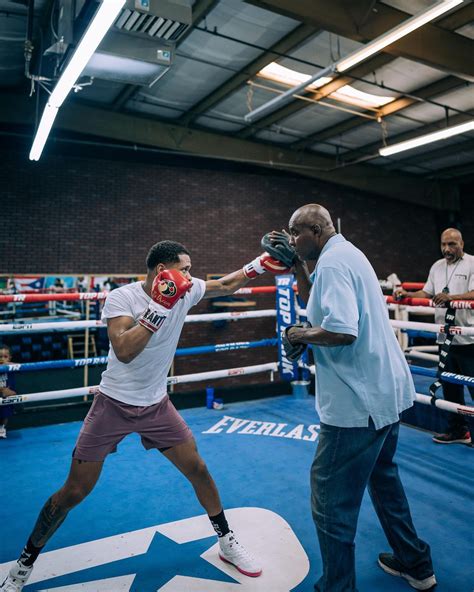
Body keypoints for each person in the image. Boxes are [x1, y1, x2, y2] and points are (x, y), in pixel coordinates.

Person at [0, 240, 289, 591]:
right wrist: (159, 307)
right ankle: (24, 565)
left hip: (156, 406)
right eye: (184, 269)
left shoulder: (186, 290)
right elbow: (123, 350)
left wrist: (260, 263)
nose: (189, 276)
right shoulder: (123, 298)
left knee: (198, 469)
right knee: (74, 491)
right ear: (160, 271)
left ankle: (226, 540)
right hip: (113, 405)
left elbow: (225, 284)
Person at [282, 204, 435, 592]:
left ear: (315, 230)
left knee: (330, 500)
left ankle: (337, 587)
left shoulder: (333, 264)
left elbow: (342, 329)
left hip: (357, 403)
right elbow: (318, 298)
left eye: (295, 232)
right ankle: (415, 563)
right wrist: (297, 267)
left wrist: (300, 336)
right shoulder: (345, 253)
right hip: (385, 393)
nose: (291, 241)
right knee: (383, 479)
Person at [394, 228, 474, 445]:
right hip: (445, 340)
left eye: (452, 244)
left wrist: (452, 298)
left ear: (462, 244)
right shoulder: (437, 267)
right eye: (444, 244)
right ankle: (458, 430)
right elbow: (427, 293)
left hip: (469, 339)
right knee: (450, 387)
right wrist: (407, 294)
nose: (447, 249)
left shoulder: (472, 263)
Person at [0, 345, 16, 439]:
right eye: (0, 357)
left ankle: (2, 428)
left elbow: (20, 366)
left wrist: (8, 364)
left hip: (8, 395)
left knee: (6, 413)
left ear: (9, 358)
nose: (2, 359)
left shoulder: (11, 367)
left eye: (5, 357)